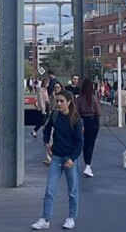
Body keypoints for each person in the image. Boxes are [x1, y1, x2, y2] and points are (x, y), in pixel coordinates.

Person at [31, 90, 84, 230]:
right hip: (56, 157)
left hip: (70, 158)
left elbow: (80, 142)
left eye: (61, 101)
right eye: (57, 101)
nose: (59, 104)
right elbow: (47, 128)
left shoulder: (76, 119)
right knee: (50, 189)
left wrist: (72, 158)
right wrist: (46, 142)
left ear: (69, 102)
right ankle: (45, 218)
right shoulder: (55, 115)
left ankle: (71, 217)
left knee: (72, 190)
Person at [76, 78, 101, 177]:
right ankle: (88, 166)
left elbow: (76, 112)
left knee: (82, 143)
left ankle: (81, 163)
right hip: (93, 122)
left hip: (82, 121)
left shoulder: (79, 99)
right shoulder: (94, 98)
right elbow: (98, 113)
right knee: (90, 145)